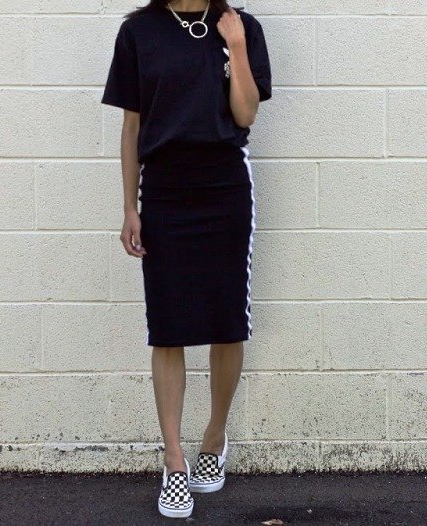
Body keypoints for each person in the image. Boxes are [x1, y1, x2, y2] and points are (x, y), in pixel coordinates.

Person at [100, 0, 272, 518]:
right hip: (166, 192)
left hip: (224, 187)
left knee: (226, 323)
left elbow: (246, 113)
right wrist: (130, 206)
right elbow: (132, 127)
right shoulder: (139, 33)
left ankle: (213, 439)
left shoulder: (242, 27)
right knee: (169, 327)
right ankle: (174, 462)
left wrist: (236, 46)